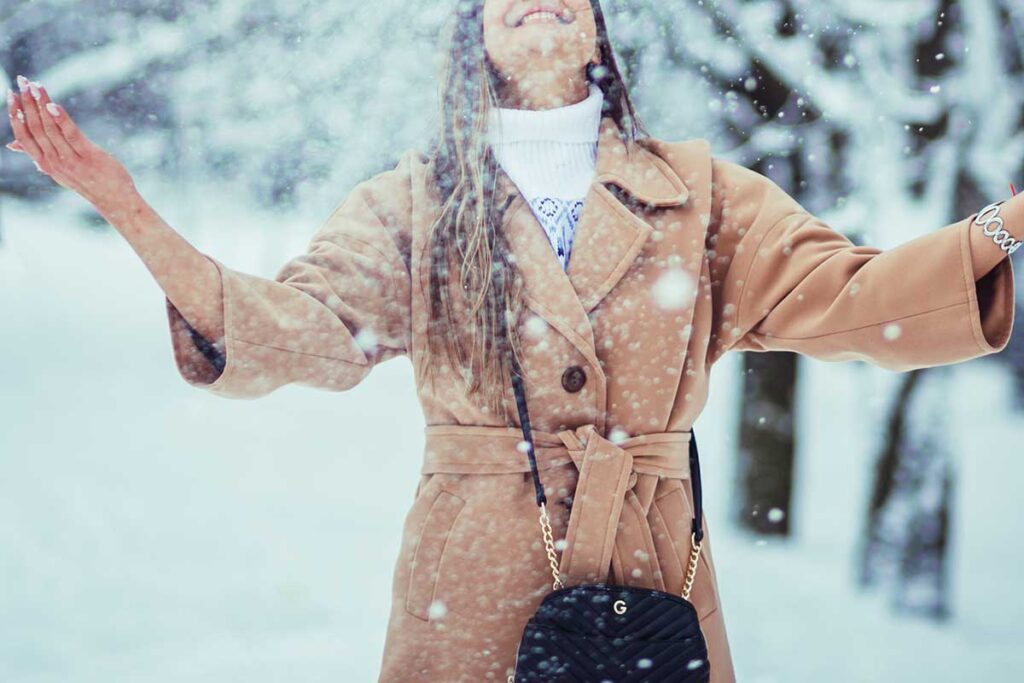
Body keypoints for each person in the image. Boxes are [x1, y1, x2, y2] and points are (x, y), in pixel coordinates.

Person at [6, 1, 1020, 681]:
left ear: (597, 33)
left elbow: (851, 297)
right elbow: (296, 331)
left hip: (650, 569)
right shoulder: (414, 201)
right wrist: (130, 211)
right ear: (474, 36)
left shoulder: (702, 193)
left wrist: (1006, 224)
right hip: (472, 576)